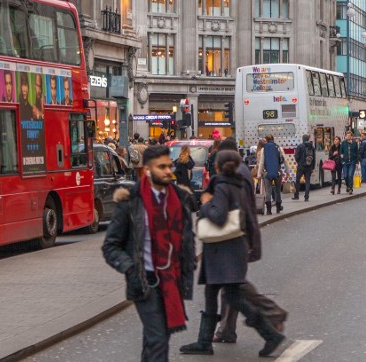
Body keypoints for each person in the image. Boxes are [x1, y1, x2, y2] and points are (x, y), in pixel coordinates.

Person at [179, 150, 284, 357]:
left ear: (217, 166)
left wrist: (206, 203)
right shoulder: (238, 184)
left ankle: (270, 334)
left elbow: (218, 217)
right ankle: (204, 341)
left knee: (235, 297)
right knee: (213, 293)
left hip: (223, 251)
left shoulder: (222, 186)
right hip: (230, 249)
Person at [102, 145, 196, 362]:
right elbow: (110, 246)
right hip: (144, 282)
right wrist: (131, 268)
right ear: (147, 170)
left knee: (156, 337)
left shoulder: (180, 199)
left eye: (169, 166)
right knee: (158, 338)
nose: (167, 171)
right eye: (161, 167)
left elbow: (186, 237)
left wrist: (188, 263)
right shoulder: (131, 202)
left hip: (171, 280)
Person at [211, 139, 287, 347]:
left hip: (236, 238)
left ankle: (274, 313)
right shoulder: (242, 171)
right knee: (231, 287)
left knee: (236, 285)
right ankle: (226, 330)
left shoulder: (237, 174)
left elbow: (240, 208)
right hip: (239, 236)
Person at [258, 135, 285, 215]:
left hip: (267, 172)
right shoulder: (278, 148)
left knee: (268, 191)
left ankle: (269, 210)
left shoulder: (263, 149)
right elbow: (284, 160)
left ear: (266, 140)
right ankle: (278, 208)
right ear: (273, 139)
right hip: (278, 172)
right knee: (277, 190)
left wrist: (259, 174)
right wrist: (287, 171)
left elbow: (261, 163)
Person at [293, 134, 315, 202]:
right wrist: (312, 167)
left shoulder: (300, 146)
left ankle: (296, 195)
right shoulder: (312, 147)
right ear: (308, 139)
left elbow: (296, 156)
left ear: (302, 139)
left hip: (301, 166)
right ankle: (306, 197)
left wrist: (299, 162)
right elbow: (314, 158)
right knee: (307, 181)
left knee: (297, 180)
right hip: (309, 166)